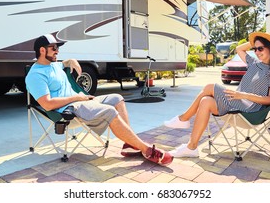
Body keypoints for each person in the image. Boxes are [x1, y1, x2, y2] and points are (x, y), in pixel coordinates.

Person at [26, 34, 173, 166]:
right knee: (109, 111)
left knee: (117, 98)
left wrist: (71, 61)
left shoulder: (54, 64)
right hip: (68, 110)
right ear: (42, 50)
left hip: (81, 102)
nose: (57, 50)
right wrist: (78, 97)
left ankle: (129, 143)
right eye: (53, 48)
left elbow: (63, 64)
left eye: (58, 47)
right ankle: (146, 149)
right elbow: (47, 104)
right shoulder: (35, 75)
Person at [164, 32, 270, 157]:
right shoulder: (254, 63)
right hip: (237, 101)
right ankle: (191, 147)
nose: (257, 52)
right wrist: (254, 41)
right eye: (255, 48)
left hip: (250, 109)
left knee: (210, 87)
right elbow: (239, 49)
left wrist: (244, 95)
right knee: (205, 101)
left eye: (260, 48)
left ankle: (183, 119)